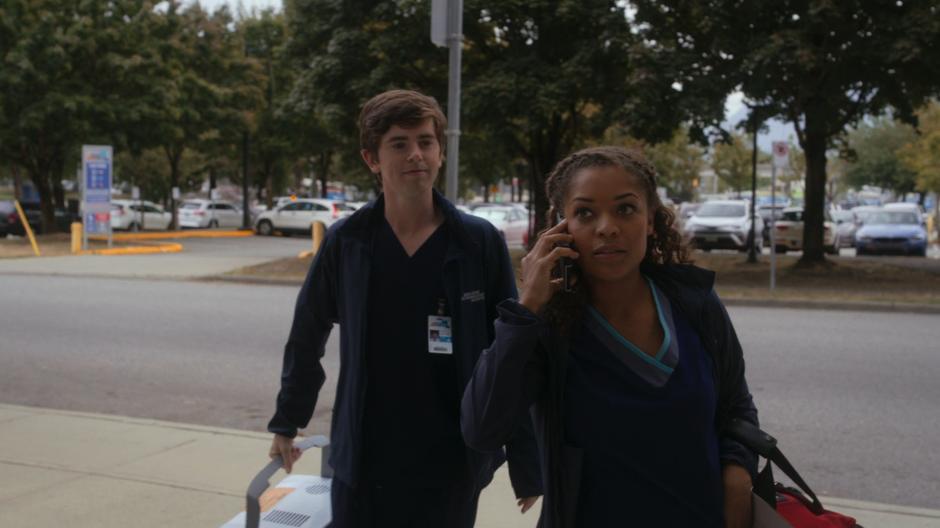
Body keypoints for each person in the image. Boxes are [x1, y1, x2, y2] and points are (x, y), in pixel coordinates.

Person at [267, 89, 541, 527]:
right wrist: (287, 421)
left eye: (425, 141)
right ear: (371, 159)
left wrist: (527, 460)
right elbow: (308, 333)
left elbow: (510, 352)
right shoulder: (348, 243)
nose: (416, 154)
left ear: (439, 151)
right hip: (365, 459)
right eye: (399, 143)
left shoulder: (477, 243)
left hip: (451, 459)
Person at [461, 146, 760, 527]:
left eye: (625, 209)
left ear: (651, 220)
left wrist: (738, 475)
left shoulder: (695, 305)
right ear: (561, 225)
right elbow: (482, 428)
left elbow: (737, 407)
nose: (607, 227)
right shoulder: (547, 328)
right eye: (585, 213)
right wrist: (526, 308)